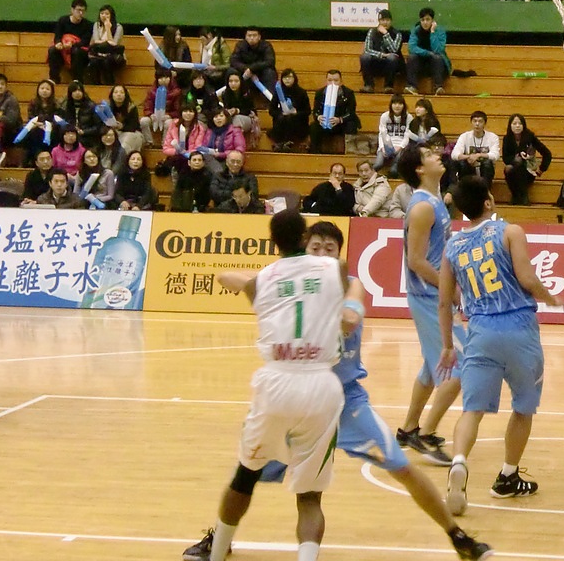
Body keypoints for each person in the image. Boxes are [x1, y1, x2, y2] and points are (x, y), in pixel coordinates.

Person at [183, 220, 493, 561]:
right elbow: (228, 277)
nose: (322, 254)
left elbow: (350, 318)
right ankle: (219, 538)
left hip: (344, 399)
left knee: (400, 466)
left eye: (329, 249)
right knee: (247, 474)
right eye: (315, 247)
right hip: (302, 395)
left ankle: (458, 537)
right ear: (305, 248)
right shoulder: (289, 280)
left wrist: (334, 312)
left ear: (340, 254)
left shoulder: (347, 283)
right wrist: (256, 283)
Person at [191, 209, 346, 561]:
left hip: (276, 382)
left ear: (273, 242)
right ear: (305, 238)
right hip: (321, 383)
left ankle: (216, 553)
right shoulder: (335, 269)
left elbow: (235, 282)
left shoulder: (260, 281)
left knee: (245, 476)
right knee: (310, 497)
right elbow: (345, 293)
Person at [439, 175, 564, 514]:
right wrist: (550, 298)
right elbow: (527, 278)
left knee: (472, 410)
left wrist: (448, 345)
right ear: (489, 201)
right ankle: (508, 476)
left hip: (480, 331)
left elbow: (445, 302)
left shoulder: (452, 246)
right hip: (519, 328)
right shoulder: (510, 231)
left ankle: (459, 461)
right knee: (523, 407)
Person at [394, 144, 467, 465]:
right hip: (428, 296)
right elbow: (416, 260)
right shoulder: (422, 207)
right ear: (419, 169)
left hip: (434, 293)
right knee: (459, 367)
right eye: (429, 155)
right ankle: (426, 435)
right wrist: (449, 288)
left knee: (432, 365)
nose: (438, 155)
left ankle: (409, 429)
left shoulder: (434, 200)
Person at [501, 114, 551, 206]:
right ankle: (515, 195)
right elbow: (505, 158)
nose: (517, 126)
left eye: (520, 123)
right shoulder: (507, 139)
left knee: (520, 165)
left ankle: (523, 195)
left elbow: (547, 153)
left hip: (528, 171)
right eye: (514, 123)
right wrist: (516, 158)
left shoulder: (530, 137)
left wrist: (542, 169)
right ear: (510, 125)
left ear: (523, 125)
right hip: (513, 170)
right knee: (509, 168)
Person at [310, 70, 361, 155]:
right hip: (326, 122)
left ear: (341, 82)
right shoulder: (320, 93)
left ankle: (349, 152)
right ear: (326, 81)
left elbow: (351, 112)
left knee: (351, 125)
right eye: (330, 80)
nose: (332, 83)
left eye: (336, 80)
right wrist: (319, 117)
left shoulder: (348, 93)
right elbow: (315, 111)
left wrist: (339, 119)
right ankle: (315, 153)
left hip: (341, 123)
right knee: (313, 127)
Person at [405, 8, 451, 96]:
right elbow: (412, 48)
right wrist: (427, 53)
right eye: (423, 20)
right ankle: (412, 87)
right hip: (421, 64)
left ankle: (438, 87)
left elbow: (438, 49)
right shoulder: (416, 31)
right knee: (412, 57)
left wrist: (432, 32)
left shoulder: (440, 31)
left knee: (437, 57)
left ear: (432, 21)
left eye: (428, 19)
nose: (425, 22)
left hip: (437, 65)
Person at [360, 9, 404, 93]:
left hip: (391, 65)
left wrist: (386, 34)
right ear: (379, 21)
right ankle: (369, 85)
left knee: (392, 57)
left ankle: (388, 86)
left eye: (387, 20)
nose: (385, 22)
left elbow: (394, 50)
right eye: (382, 20)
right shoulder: (372, 32)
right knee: (364, 57)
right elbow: (367, 49)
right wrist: (382, 55)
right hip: (375, 62)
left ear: (391, 21)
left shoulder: (397, 34)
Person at [49, 0, 92, 84]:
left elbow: (85, 41)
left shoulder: (87, 24)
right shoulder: (63, 20)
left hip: (77, 50)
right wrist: (59, 43)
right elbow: (58, 35)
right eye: (78, 10)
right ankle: (54, 79)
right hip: (64, 48)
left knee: (77, 52)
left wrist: (72, 44)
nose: (81, 13)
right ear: (72, 10)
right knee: (53, 50)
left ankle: (77, 80)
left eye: (83, 11)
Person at [268, 69, 311, 153]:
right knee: (282, 118)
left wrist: (296, 113)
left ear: (294, 79)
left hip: (298, 123)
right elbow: (271, 110)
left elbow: (307, 111)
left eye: (290, 77)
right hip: (282, 120)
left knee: (290, 118)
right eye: (285, 77)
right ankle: (282, 143)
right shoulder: (278, 92)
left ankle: (286, 143)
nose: (287, 79)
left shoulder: (301, 92)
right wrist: (280, 113)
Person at [452, 111, 500, 188]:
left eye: (480, 121)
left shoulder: (493, 137)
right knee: (462, 163)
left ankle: (486, 191)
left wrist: (479, 155)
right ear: (471, 122)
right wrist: (469, 157)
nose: (477, 124)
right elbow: (454, 154)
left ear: (485, 123)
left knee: (487, 163)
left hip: (485, 168)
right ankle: (465, 189)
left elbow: (495, 155)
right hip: (469, 166)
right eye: (475, 121)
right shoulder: (464, 136)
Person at [230, 28, 278, 99]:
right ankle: (233, 98)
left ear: (259, 37)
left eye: (254, 35)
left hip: (261, 73)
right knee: (231, 71)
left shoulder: (266, 45)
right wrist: (245, 69)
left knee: (270, 72)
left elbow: (270, 61)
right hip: (244, 73)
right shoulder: (240, 45)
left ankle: (270, 100)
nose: (252, 38)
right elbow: (233, 60)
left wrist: (252, 69)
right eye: (249, 36)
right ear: (245, 37)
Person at [374, 93, 412, 174]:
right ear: (391, 105)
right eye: (394, 103)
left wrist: (399, 148)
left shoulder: (409, 117)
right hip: (386, 146)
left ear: (403, 105)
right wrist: (383, 148)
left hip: (401, 147)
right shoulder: (385, 116)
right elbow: (381, 134)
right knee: (377, 165)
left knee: (394, 170)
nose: (397, 106)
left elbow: (407, 136)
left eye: (400, 104)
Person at [88, 4, 125, 85]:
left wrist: (108, 28)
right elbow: (96, 41)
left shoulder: (118, 27)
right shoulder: (96, 25)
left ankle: (109, 84)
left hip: (114, 55)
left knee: (106, 62)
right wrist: (106, 42)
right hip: (99, 54)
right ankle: (96, 85)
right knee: (94, 62)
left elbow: (113, 44)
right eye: (102, 13)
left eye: (107, 14)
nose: (104, 16)